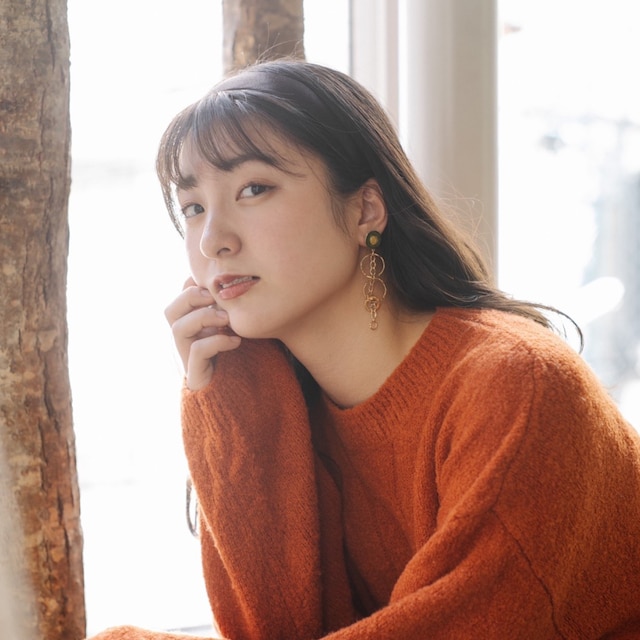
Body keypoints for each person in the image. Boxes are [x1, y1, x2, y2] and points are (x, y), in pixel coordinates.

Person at [90, 60, 640, 640]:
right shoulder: (280, 396)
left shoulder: (515, 384)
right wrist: (230, 398)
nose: (212, 241)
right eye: (193, 207)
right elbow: (271, 628)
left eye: (254, 189)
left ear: (365, 210)